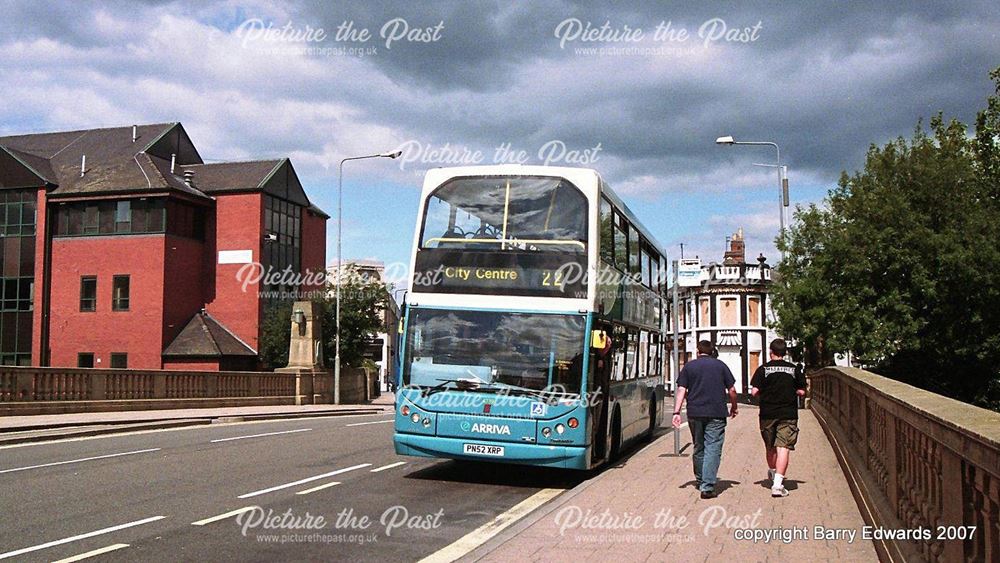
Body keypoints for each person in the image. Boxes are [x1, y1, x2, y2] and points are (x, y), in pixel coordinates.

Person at [672, 340, 738, 499]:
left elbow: (681, 390)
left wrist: (676, 412)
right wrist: (734, 406)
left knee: (699, 446)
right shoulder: (720, 366)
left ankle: (701, 479)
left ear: (697, 351)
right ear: (711, 351)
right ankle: (707, 487)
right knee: (713, 447)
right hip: (717, 412)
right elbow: (732, 390)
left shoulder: (689, 367)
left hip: (695, 413)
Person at [750, 338, 807, 498]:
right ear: (785, 353)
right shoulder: (794, 369)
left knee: (770, 446)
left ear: (771, 351)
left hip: (767, 413)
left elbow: (754, 391)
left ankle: (774, 473)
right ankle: (777, 485)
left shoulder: (763, 369)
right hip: (788, 413)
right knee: (784, 447)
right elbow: (802, 392)